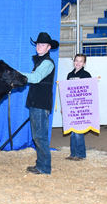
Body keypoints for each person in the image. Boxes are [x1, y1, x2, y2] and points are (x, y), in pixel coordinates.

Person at [20, 32, 59, 175]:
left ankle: (44, 167)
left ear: (48, 47)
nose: (39, 46)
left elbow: (35, 78)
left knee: (40, 136)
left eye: (42, 45)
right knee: (37, 135)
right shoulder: (40, 61)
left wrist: (19, 75)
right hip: (37, 103)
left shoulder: (47, 62)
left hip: (41, 105)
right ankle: (41, 164)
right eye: (37, 44)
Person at [65, 54, 92, 161]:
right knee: (72, 131)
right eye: (76, 61)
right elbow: (66, 91)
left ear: (84, 63)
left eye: (81, 61)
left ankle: (81, 154)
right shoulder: (69, 75)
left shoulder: (86, 74)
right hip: (72, 106)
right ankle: (73, 153)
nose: (78, 63)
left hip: (81, 106)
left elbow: (89, 90)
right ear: (73, 61)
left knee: (79, 132)